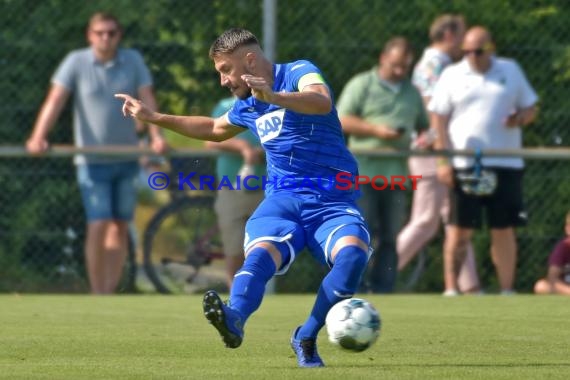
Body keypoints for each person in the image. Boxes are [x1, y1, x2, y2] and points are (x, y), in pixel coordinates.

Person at [116, 28, 371, 368]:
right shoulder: (247, 105)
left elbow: (321, 100)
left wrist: (275, 97)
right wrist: (154, 118)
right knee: (260, 255)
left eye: (225, 69)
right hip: (283, 201)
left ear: (249, 59)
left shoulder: (296, 72)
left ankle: (306, 335)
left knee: (353, 255)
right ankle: (234, 317)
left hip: (333, 202)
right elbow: (212, 129)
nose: (222, 81)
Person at [26, 12, 168, 294]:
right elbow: (55, 99)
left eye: (111, 33)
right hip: (91, 162)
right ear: (90, 35)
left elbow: (147, 97)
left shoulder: (133, 61)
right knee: (99, 222)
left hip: (127, 159)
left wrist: (156, 135)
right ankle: (97, 292)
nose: (105, 38)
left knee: (119, 225)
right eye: (100, 33)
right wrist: (38, 136)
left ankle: (109, 293)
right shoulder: (75, 62)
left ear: (119, 35)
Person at [429, 26, 538, 294]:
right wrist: (444, 161)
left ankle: (507, 291)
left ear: (491, 48)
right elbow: (438, 119)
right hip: (466, 164)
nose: (471, 57)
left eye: (478, 51)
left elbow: (530, 107)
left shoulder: (510, 69)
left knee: (503, 229)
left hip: (507, 163)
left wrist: (521, 118)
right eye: (466, 51)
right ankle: (452, 290)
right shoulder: (452, 75)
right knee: (459, 230)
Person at [395, 14, 481, 295]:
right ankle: (372, 274)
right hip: (430, 149)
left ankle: (469, 287)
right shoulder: (436, 64)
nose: (465, 44)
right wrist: (440, 149)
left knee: (455, 218)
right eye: (462, 36)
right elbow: (431, 108)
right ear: (449, 35)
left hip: (439, 148)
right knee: (425, 219)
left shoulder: (440, 63)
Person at [337, 37, 428, 293]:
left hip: (396, 177)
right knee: (358, 235)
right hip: (362, 175)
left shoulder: (412, 92)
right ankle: (349, 287)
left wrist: (424, 137)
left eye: (405, 67)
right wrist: (376, 130)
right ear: (383, 58)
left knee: (390, 238)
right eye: (395, 65)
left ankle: (383, 290)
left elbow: (424, 127)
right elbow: (341, 119)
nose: (400, 71)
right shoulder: (361, 84)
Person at [204, 97, 265, 289]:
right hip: (231, 187)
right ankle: (235, 298)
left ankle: (255, 296)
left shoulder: (274, 106)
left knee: (263, 249)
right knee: (234, 249)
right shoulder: (224, 106)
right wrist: (242, 148)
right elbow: (210, 140)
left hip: (267, 187)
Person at [534, 211, 570, 295]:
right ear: (568, 229)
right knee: (540, 286)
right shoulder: (563, 247)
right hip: (566, 286)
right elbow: (552, 277)